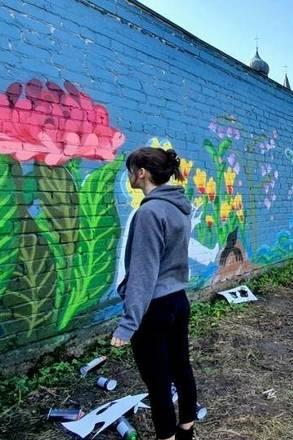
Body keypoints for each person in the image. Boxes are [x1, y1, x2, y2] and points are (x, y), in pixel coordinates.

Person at [111, 147, 197, 440]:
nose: (129, 175)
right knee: (181, 368)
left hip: (154, 308)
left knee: (158, 381)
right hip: (178, 301)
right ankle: (186, 430)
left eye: (130, 169)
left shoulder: (149, 212)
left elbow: (143, 274)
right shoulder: (179, 207)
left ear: (141, 173)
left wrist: (128, 323)